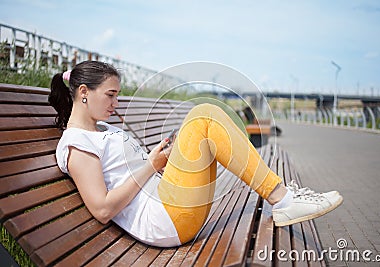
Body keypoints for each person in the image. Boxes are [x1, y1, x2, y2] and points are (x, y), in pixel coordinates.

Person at [49, 61, 343, 247]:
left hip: (169, 200)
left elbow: (131, 172)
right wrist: (151, 166)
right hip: (162, 219)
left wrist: (163, 159)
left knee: (205, 118)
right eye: (111, 94)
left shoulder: (101, 129)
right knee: (204, 115)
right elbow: (101, 210)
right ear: (84, 92)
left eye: (118, 94)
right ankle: (284, 199)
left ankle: (282, 197)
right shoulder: (77, 143)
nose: (116, 101)